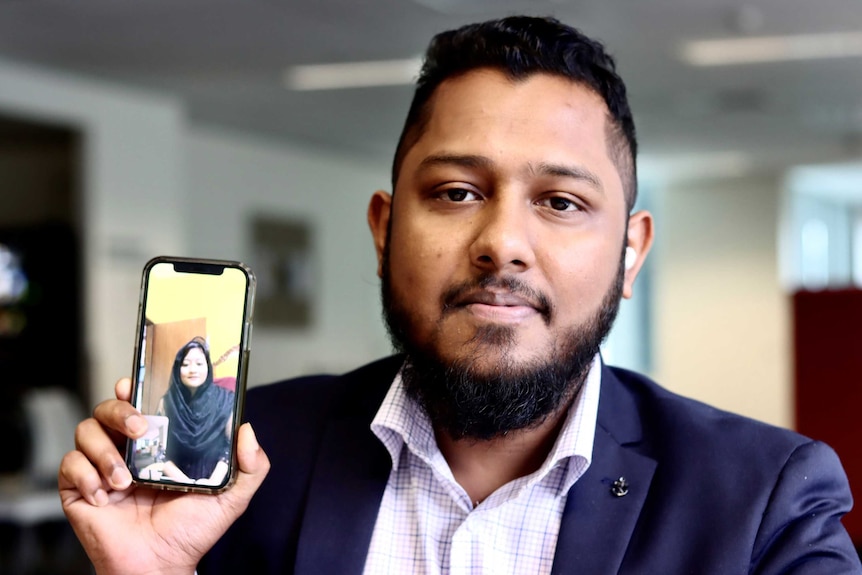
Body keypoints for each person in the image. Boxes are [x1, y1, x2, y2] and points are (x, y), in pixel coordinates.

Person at [59, 15, 861, 575]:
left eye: (561, 202)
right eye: (453, 192)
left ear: (630, 251)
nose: (501, 242)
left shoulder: (764, 501)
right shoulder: (242, 465)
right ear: (383, 228)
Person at [152, 337, 233, 485]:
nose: (193, 370)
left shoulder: (227, 400)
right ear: (178, 369)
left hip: (215, 484)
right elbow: (159, 450)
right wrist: (185, 482)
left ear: (207, 367)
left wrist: (214, 482)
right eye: (186, 364)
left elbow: (231, 446)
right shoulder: (166, 403)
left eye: (199, 363)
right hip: (175, 484)